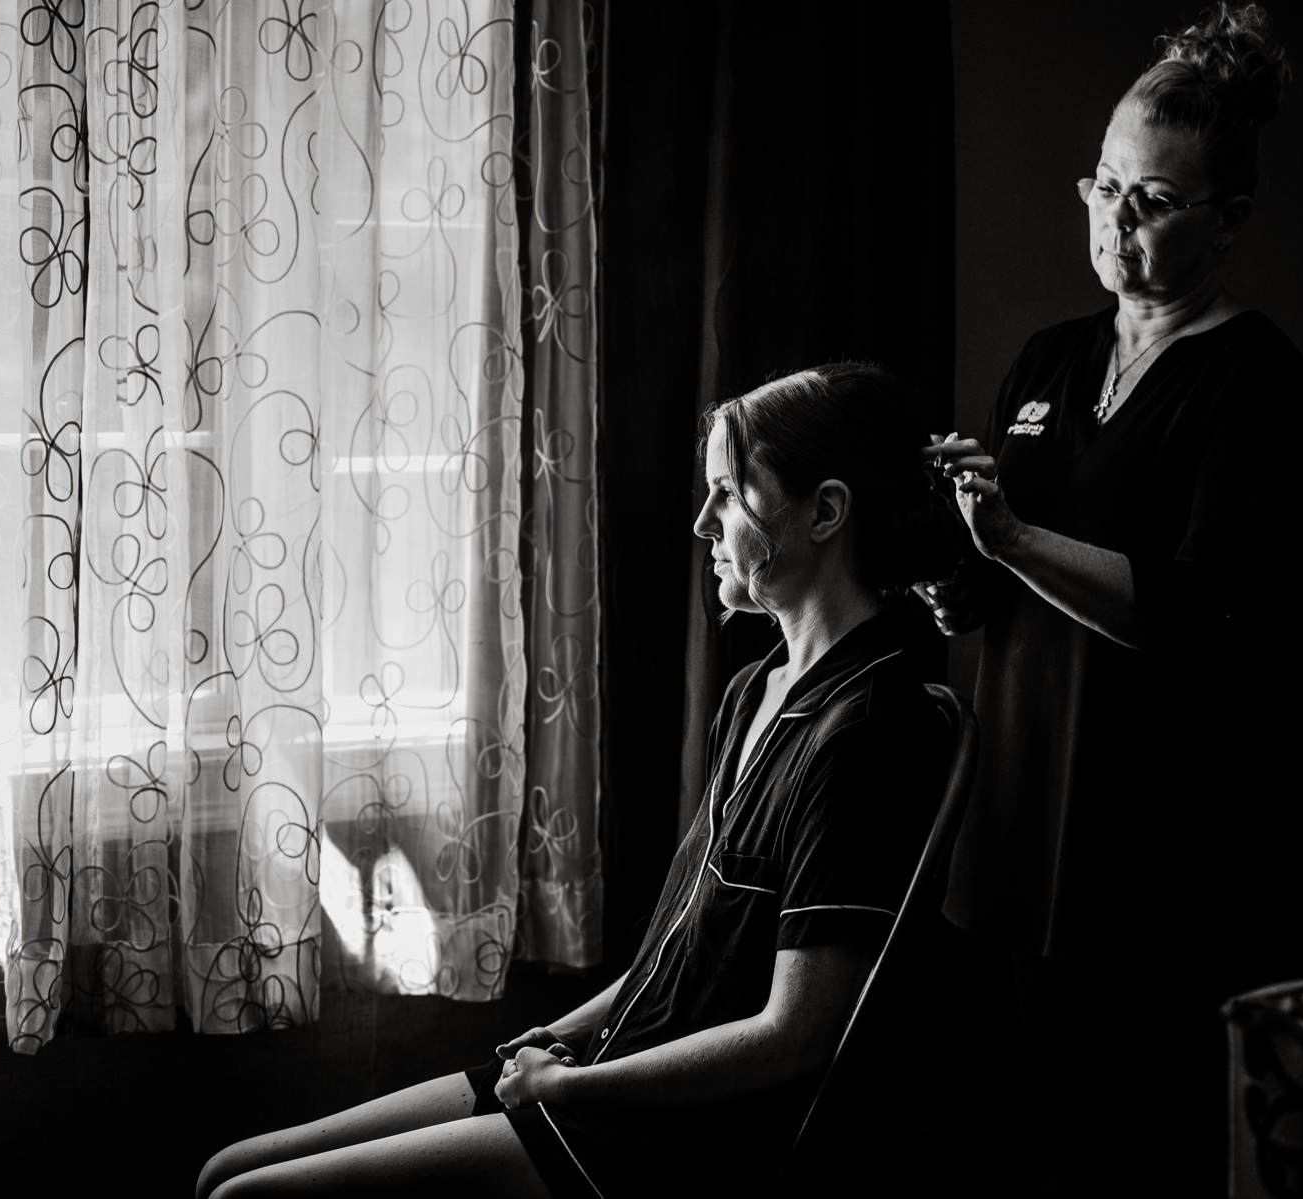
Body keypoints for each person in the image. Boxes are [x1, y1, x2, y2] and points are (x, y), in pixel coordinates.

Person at [196, 363, 963, 1198]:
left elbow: (795, 1036)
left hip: (679, 1138)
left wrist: (566, 1087)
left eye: (730, 492)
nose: (703, 520)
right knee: (225, 1170)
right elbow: (675, 959)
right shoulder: (756, 693)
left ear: (825, 511)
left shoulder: (869, 735)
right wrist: (544, 1045)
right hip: (606, 1068)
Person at [922, 3, 1303, 1192]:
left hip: (1150, 846)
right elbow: (1003, 584)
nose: (1115, 220)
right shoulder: (1048, 359)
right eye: (1103, 186)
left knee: (1134, 1143)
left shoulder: (1252, 381)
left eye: (1153, 201)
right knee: (1021, 1138)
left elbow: (1195, 616)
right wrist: (959, 572)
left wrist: (1012, 534)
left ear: (1230, 218)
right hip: (1016, 818)